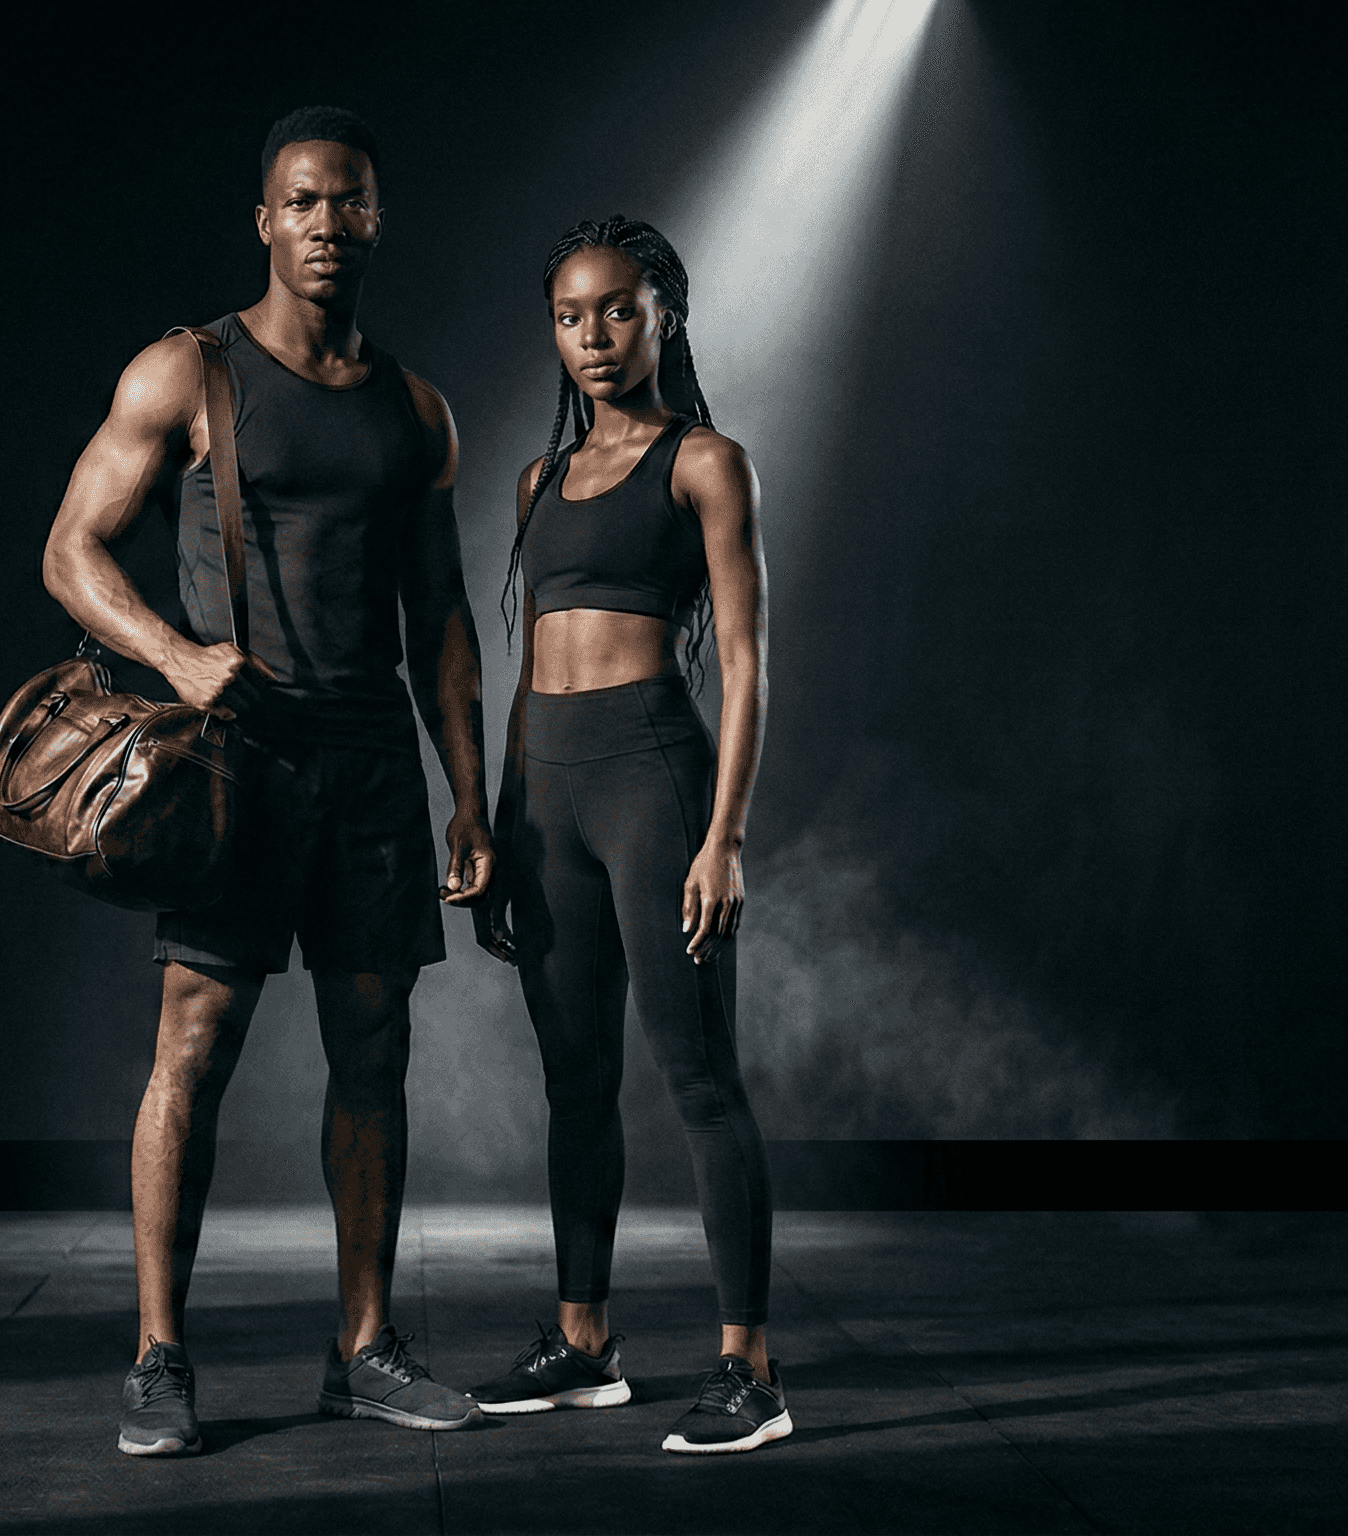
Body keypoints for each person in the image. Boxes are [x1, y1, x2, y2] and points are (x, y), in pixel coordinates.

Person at [39, 106, 493, 1458]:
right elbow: (70, 550)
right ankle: (157, 1357)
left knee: (375, 1050)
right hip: (238, 760)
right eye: (301, 201)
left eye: (348, 200)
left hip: (371, 768)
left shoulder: (417, 410)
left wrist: (469, 795)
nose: (325, 223)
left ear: (377, 219)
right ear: (265, 221)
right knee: (193, 1047)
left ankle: (365, 1350)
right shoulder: (188, 371)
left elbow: (443, 621)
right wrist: (175, 656)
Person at [464, 216, 783, 1454]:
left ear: (665, 315)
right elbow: (528, 665)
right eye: (568, 316)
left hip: (654, 784)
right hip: (548, 796)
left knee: (698, 1077)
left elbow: (745, 660)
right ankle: (583, 1343)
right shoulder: (537, 481)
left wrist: (725, 835)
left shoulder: (705, 463)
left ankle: (749, 1371)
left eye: (615, 310)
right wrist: (504, 824)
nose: (592, 336)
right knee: (574, 1083)